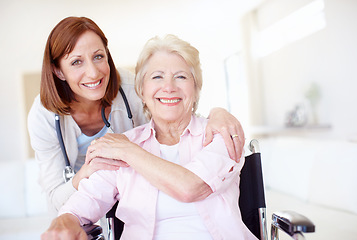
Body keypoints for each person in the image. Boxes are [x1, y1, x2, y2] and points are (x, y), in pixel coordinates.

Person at [41, 34, 256, 240]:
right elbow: (84, 202)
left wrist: (129, 152)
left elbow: (191, 187)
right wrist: (66, 221)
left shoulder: (221, 134)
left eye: (180, 76)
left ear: (196, 88)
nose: (169, 87)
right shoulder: (124, 143)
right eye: (157, 77)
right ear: (141, 91)